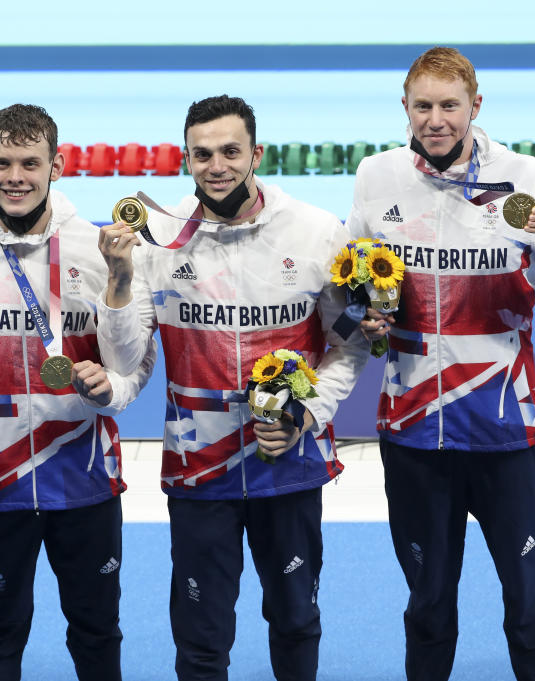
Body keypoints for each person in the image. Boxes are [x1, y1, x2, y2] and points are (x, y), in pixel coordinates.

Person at [347, 47, 535, 681]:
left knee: (529, 603)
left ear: (476, 105)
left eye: (450, 105)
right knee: (428, 606)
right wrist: (359, 314)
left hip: (505, 432)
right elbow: (350, 282)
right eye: (424, 106)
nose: (436, 119)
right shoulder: (376, 177)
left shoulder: (531, 179)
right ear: (405, 108)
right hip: (414, 433)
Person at [97, 95, 368, 681]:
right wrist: (118, 278)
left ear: (256, 154)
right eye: (202, 154)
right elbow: (123, 358)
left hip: (288, 461)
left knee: (296, 622)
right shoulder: (155, 239)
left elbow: (349, 343)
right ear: (185, 159)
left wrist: (308, 415)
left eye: (229, 151)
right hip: (200, 469)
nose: (216, 166)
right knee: (201, 639)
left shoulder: (317, 231)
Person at [0, 104, 155, 681]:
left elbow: (132, 363)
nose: (16, 176)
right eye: (3, 163)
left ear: (58, 164)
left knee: (96, 629)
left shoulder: (101, 247)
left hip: (84, 477)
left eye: (30, 162)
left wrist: (113, 380)